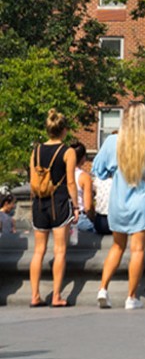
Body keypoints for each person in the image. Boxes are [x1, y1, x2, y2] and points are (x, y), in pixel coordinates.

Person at [93, 103, 145, 309]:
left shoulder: (112, 141)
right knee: (137, 251)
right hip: (141, 199)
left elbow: (98, 170)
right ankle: (131, 296)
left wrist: (115, 173)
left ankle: (103, 288)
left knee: (117, 246)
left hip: (118, 199)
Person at [28, 109, 78, 308]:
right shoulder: (68, 151)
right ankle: (56, 295)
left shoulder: (36, 150)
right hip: (59, 203)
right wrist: (76, 207)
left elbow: (32, 180)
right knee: (60, 251)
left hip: (39, 203)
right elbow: (72, 183)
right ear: (64, 130)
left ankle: (34, 295)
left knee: (38, 251)